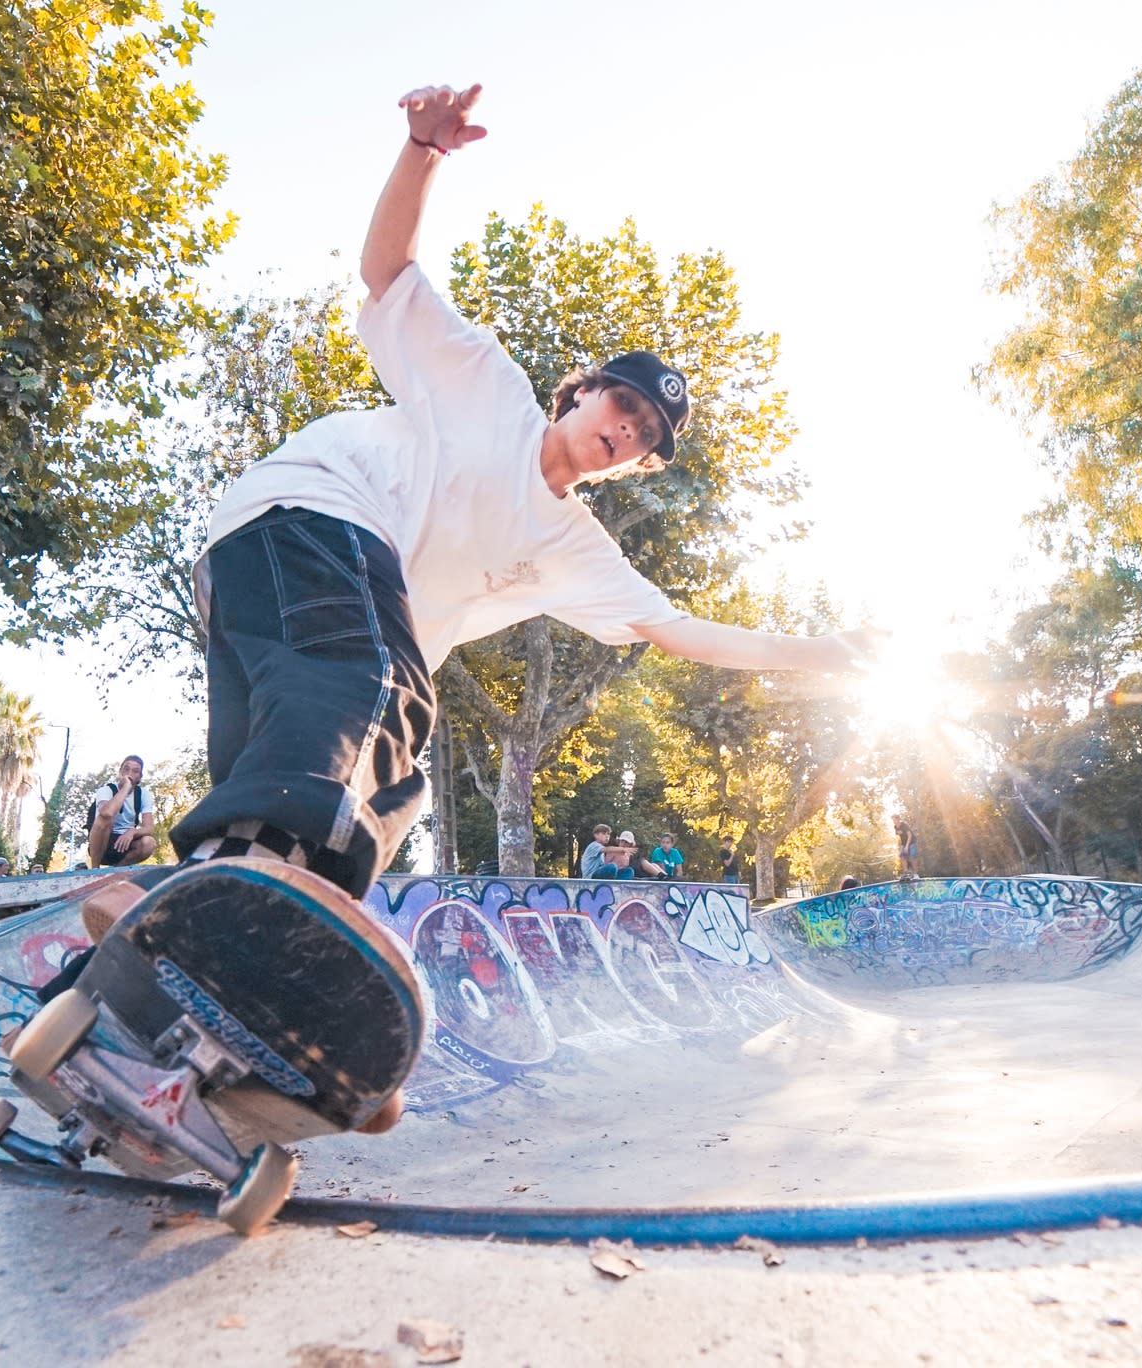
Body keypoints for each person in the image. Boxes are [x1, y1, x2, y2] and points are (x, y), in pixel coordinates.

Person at [74, 82, 872, 1136]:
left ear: (634, 464)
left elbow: (679, 632)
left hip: (276, 606)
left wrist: (829, 652)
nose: (625, 432)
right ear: (576, 392)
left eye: (642, 437)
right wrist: (420, 153)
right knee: (377, 686)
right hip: (299, 516)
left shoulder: (575, 547)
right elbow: (387, 273)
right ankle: (230, 900)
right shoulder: (484, 383)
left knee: (383, 773)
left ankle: (155, 1015)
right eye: (619, 406)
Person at [88, 755, 159, 867]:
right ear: (120, 772)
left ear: (140, 777)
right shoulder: (106, 790)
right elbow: (106, 814)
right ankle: (94, 869)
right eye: (126, 769)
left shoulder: (144, 794)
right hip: (102, 844)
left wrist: (132, 832)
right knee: (105, 819)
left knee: (149, 843)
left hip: (126, 843)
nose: (129, 773)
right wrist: (126, 787)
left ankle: (118, 870)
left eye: (135, 771)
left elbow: (149, 828)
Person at [893, 814, 921, 881]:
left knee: (912, 856)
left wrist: (907, 846)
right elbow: (901, 837)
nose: (893, 821)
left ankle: (916, 874)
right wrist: (902, 847)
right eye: (893, 820)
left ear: (898, 819)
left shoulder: (904, 825)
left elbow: (910, 835)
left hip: (912, 842)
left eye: (894, 819)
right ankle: (906, 872)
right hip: (904, 844)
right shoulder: (895, 827)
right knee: (902, 855)